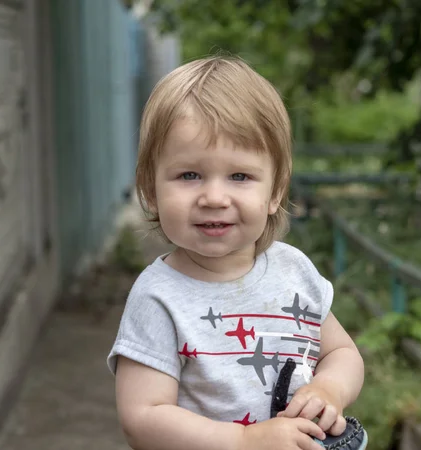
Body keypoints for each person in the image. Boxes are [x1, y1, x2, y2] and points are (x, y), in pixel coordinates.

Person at [107, 55, 366, 450]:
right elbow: (143, 417)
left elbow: (342, 352)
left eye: (239, 176)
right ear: (149, 189)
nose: (214, 197)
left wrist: (329, 389)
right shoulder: (158, 297)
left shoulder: (293, 271)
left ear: (275, 190)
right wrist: (244, 440)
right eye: (189, 175)